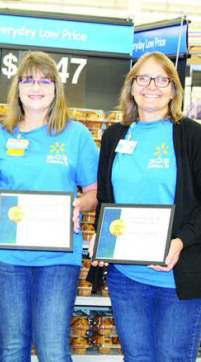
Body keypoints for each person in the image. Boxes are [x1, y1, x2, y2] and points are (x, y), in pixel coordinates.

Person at [0, 51, 98, 361]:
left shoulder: (77, 135)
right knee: (12, 344)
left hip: (58, 256)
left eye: (45, 80)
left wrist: (78, 205)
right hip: (8, 254)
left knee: (52, 347)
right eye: (28, 80)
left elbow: (95, 192)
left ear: (56, 88)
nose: (36, 87)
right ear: (18, 87)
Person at [90, 51, 201, 361]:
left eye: (161, 79)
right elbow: (106, 200)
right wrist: (102, 234)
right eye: (142, 78)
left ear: (173, 89)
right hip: (127, 277)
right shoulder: (114, 136)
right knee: (136, 357)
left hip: (178, 277)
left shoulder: (192, 136)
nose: (151, 85)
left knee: (173, 357)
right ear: (131, 86)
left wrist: (180, 242)